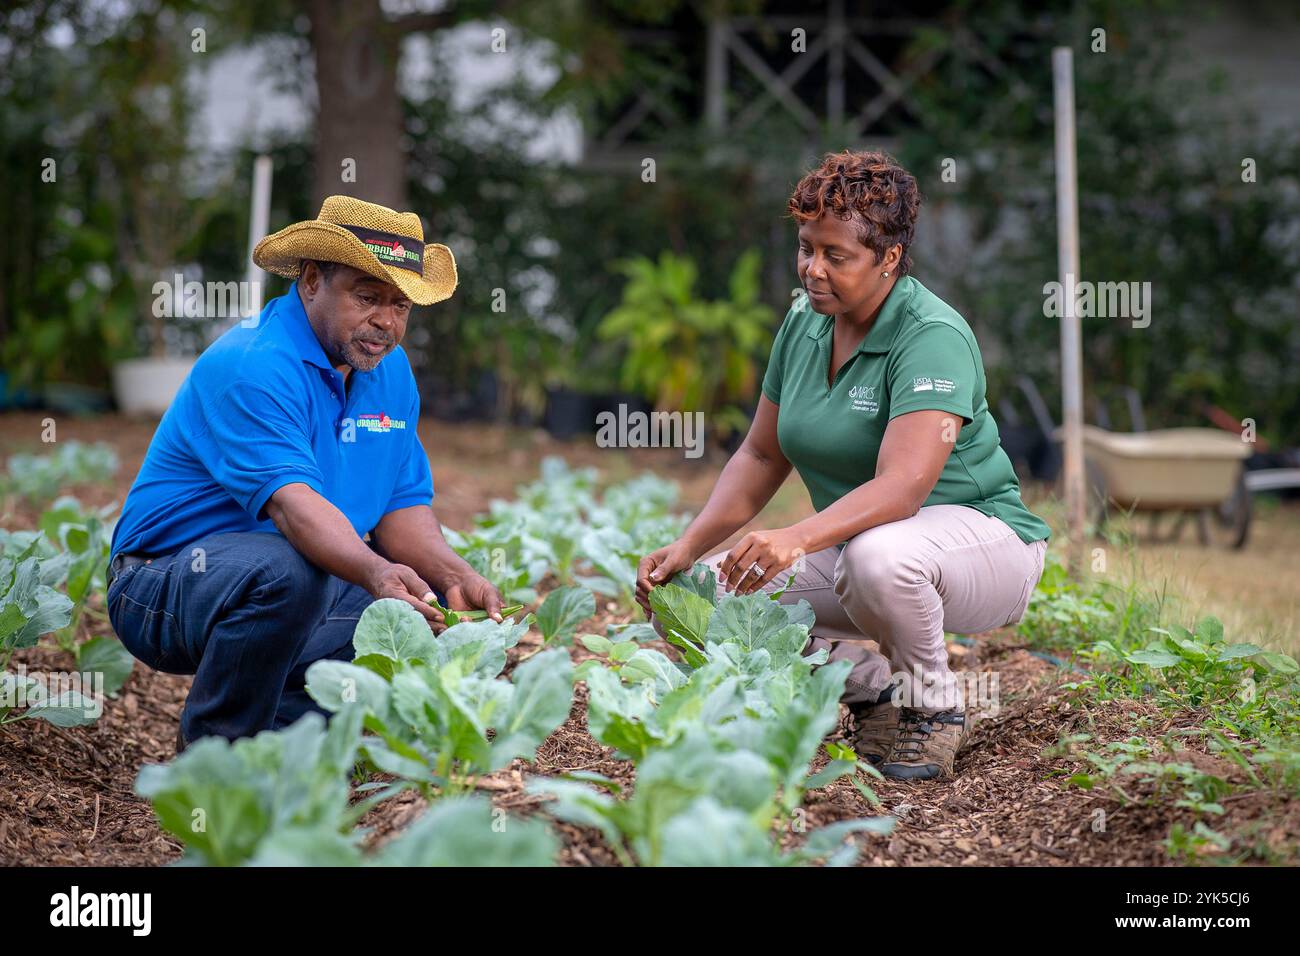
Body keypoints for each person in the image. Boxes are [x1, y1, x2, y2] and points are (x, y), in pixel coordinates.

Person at [637, 150, 1051, 781]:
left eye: (837, 256)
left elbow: (904, 489)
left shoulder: (931, 335)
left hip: (981, 548)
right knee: (700, 600)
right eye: (806, 248)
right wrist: (688, 547)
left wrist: (796, 536)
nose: (813, 269)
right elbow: (760, 453)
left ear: (888, 257)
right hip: (866, 551)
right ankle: (872, 693)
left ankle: (933, 709)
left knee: (879, 558)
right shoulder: (804, 323)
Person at [107, 196, 506, 751]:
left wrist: (453, 577)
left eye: (401, 305)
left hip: (295, 576)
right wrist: (376, 572)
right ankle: (218, 759)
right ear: (313, 280)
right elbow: (296, 513)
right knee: (295, 572)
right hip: (164, 583)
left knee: (396, 615)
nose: (386, 322)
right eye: (368, 297)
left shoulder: (388, 373)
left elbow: (400, 510)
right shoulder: (252, 364)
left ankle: (288, 744)